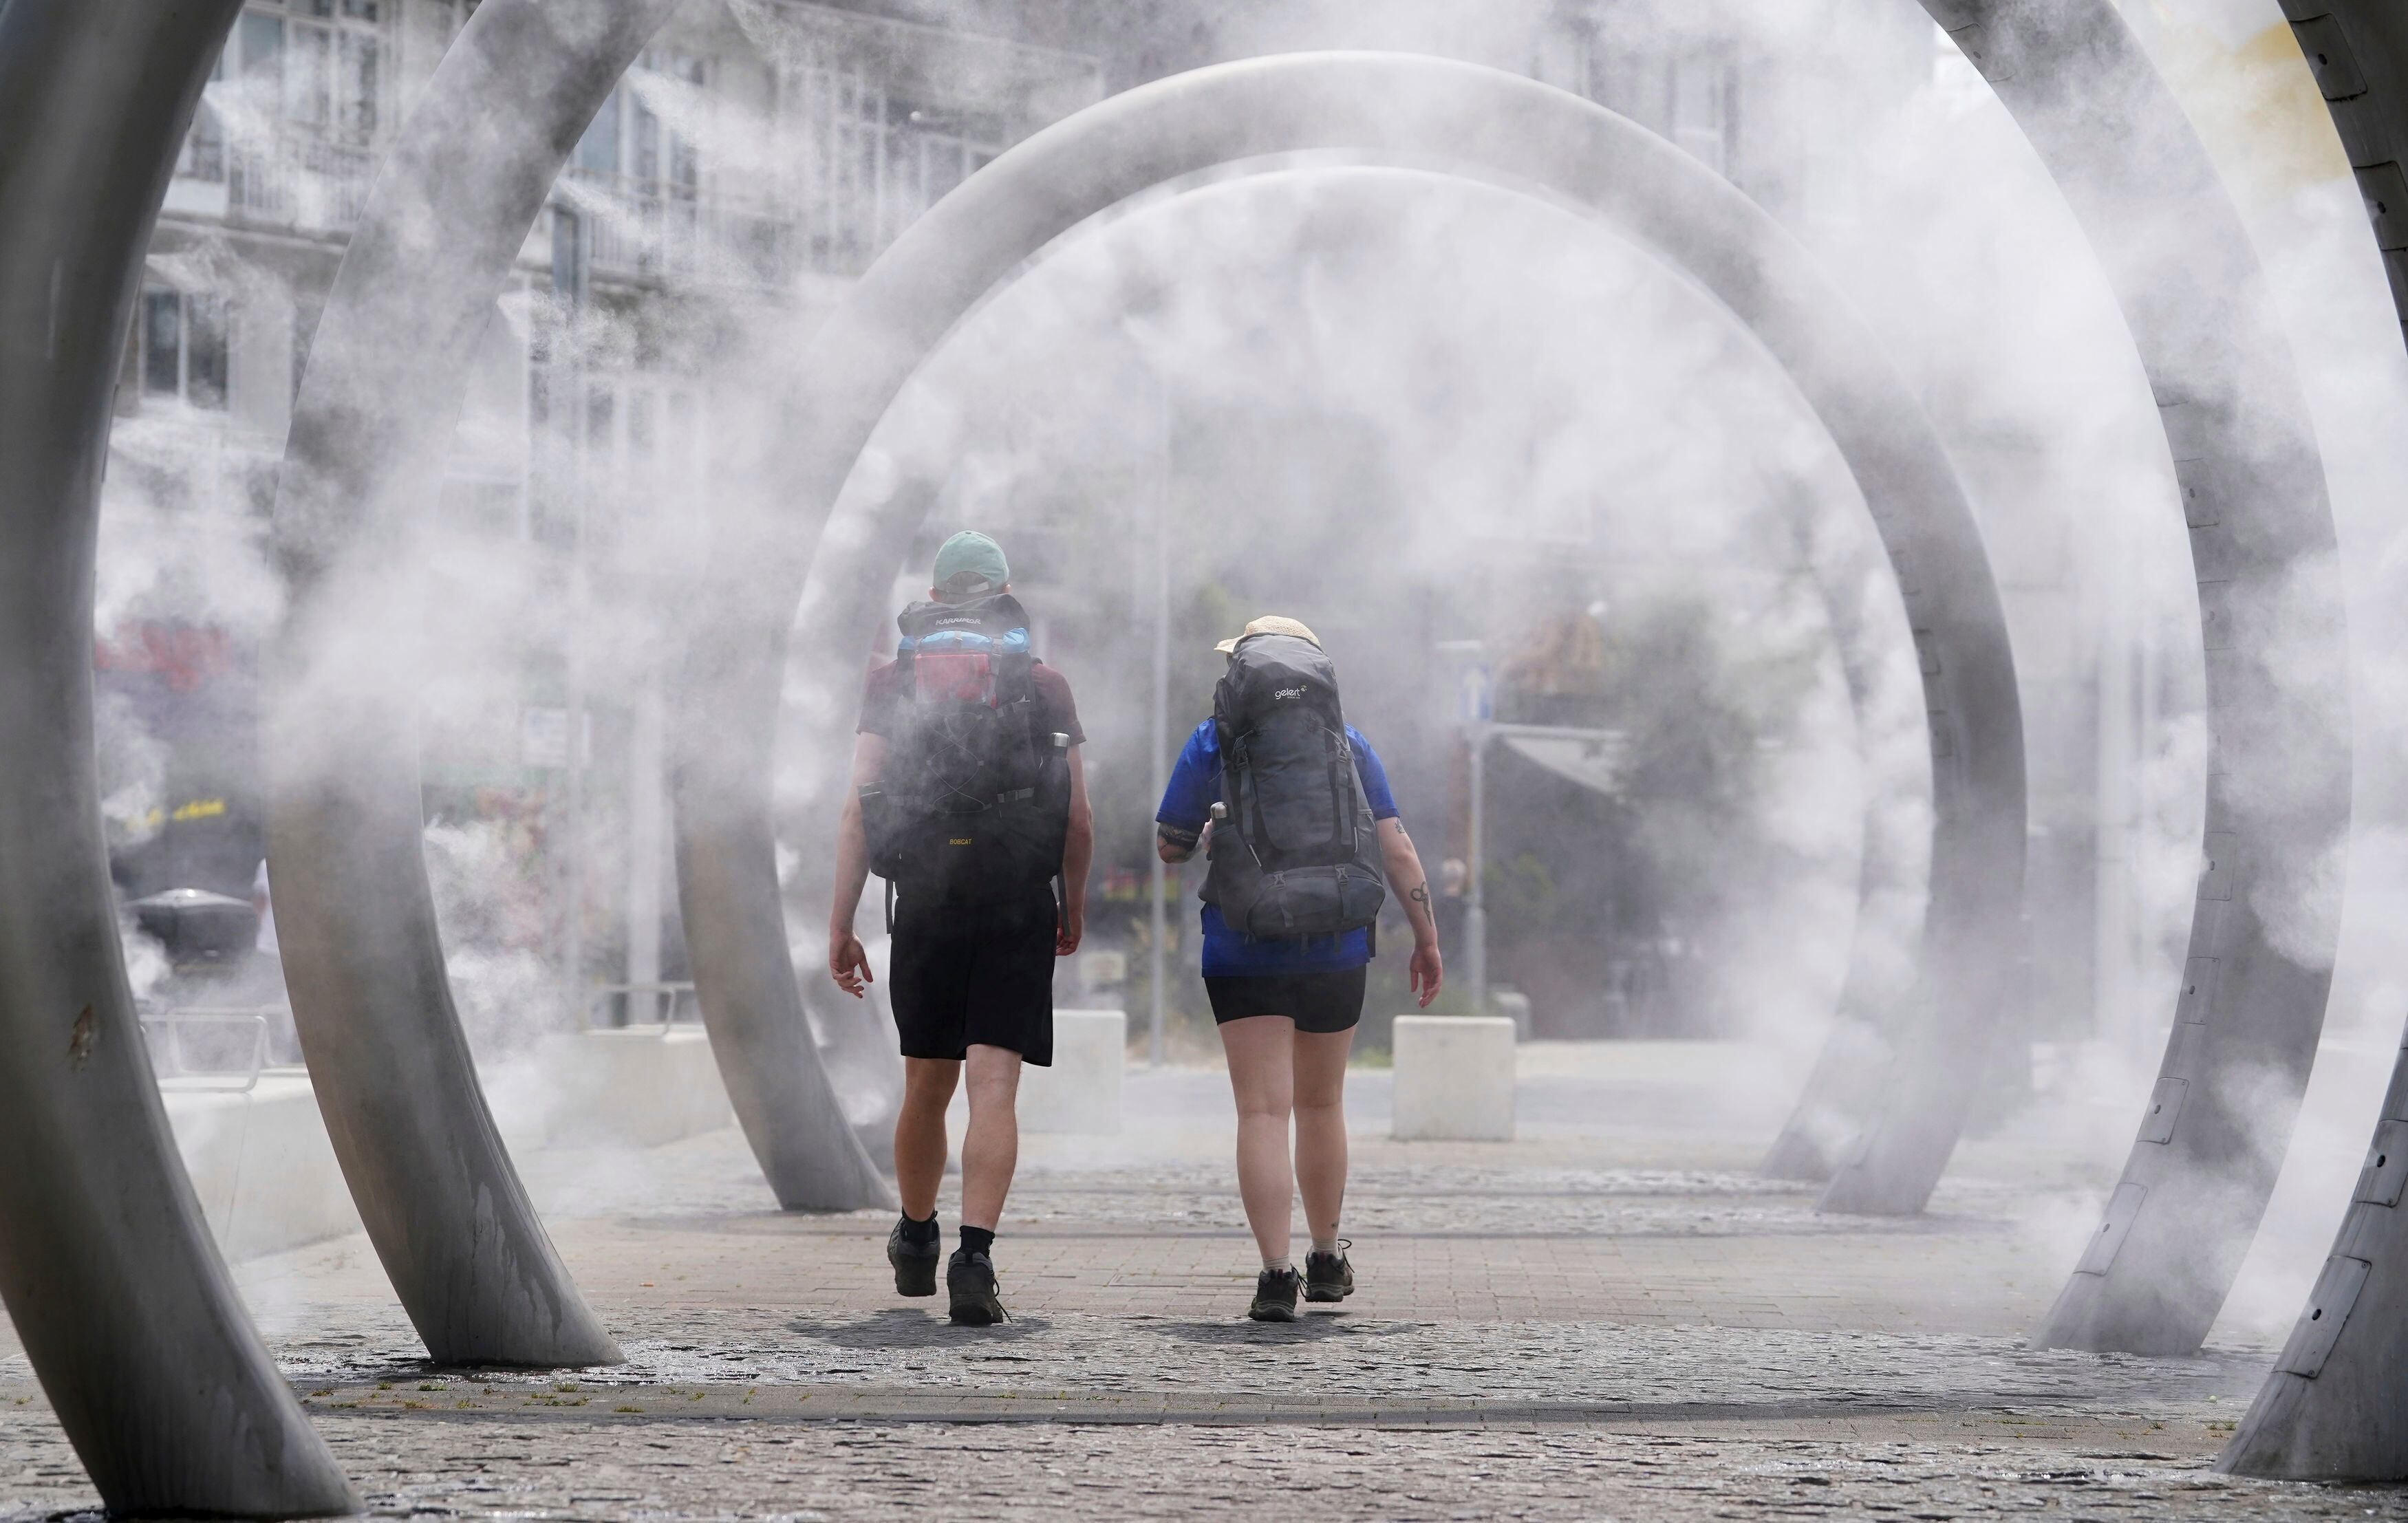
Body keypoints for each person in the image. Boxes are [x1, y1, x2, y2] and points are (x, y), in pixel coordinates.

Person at [827, 530, 1093, 1326]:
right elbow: (1077, 818)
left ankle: (915, 1235)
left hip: (926, 898)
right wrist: (1071, 903)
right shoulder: (1042, 684)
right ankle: (974, 1259)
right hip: (1015, 898)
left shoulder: (892, 681)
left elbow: (858, 810)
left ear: (935, 596)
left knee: (925, 1083)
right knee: (992, 1088)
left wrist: (840, 922)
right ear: (1005, 593)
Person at [1154, 616, 1442, 1321]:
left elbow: (1169, 845)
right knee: (1321, 1105)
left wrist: (1210, 832)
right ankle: (1326, 1256)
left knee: (1262, 1110)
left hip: (1241, 943)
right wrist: (1427, 938)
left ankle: (1275, 1275)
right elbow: (1398, 849)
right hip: (1336, 943)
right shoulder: (1348, 743)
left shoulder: (1210, 739)